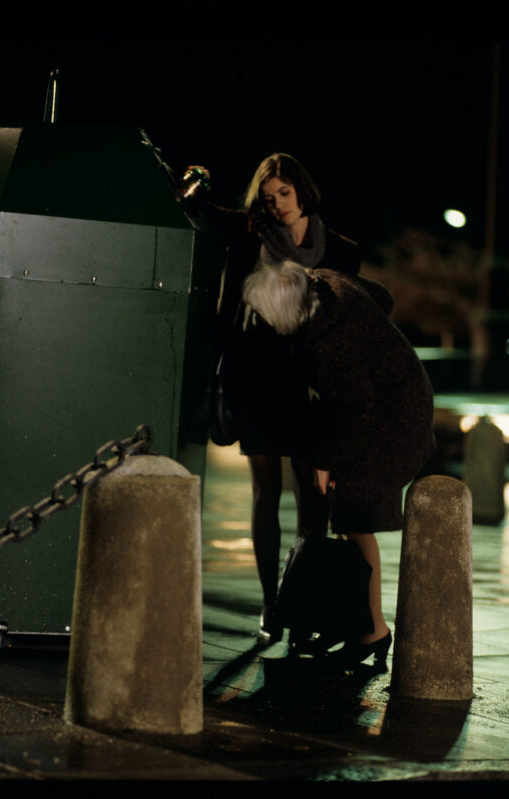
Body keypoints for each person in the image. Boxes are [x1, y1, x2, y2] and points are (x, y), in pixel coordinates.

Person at [183, 154, 361, 645]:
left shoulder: (342, 252)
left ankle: (303, 601)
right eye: (268, 198)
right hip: (254, 377)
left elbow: (347, 327)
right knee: (265, 492)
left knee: (312, 495)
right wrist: (191, 180)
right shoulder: (248, 235)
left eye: (284, 193)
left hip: (309, 384)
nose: (278, 205)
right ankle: (270, 604)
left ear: (301, 190)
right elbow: (200, 210)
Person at [241, 261, 436, 666]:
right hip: (395, 406)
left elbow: (357, 411)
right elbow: (382, 295)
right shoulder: (326, 283)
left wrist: (328, 462)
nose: (258, 319)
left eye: (262, 312)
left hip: (392, 424)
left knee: (354, 519)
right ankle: (355, 626)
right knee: (348, 520)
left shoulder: (332, 342)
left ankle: (374, 633)